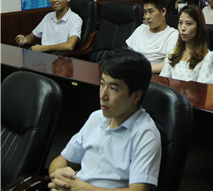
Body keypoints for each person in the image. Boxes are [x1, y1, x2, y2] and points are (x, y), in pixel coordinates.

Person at [48, 49, 161, 190]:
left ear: (136, 96)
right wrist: (60, 176)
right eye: (102, 84)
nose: (103, 95)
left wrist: (81, 188)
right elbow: (61, 160)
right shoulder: (96, 117)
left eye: (113, 88)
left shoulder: (145, 134)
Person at [160, 5, 213, 84]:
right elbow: (163, 83)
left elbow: (203, 91)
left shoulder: (208, 57)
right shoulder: (172, 53)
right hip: (172, 95)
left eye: (188, 23)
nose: (183, 28)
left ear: (199, 27)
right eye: (180, 23)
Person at [15, 0, 82, 52]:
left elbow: (70, 46)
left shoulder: (75, 19)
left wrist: (44, 48)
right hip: (43, 56)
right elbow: (32, 36)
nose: (54, 0)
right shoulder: (48, 16)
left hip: (61, 58)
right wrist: (24, 39)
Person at [126, 0, 179, 74]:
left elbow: (166, 65)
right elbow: (126, 54)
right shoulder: (141, 29)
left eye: (151, 12)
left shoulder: (172, 35)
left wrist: (139, 70)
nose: (147, 16)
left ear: (163, 11)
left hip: (152, 77)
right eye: (145, 12)